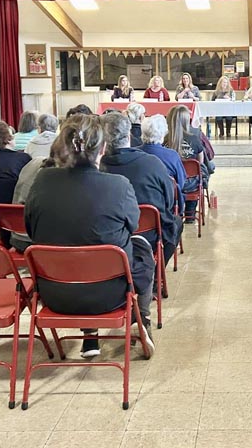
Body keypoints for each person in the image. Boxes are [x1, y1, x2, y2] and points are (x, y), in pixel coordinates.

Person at [24, 114, 155, 358]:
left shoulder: (42, 180)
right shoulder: (118, 185)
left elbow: (31, 229)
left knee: (75, 250)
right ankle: (142, 320)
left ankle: (89, 337)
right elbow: (133, 225)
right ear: (103, 148)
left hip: (55, 293)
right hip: (110, 293)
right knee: (142, 250)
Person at [100, 112, 182, 265]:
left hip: (108, 235)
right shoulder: (153, 163)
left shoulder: (98, 167)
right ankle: (157, 272)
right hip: (149, 234)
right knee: (175, 223)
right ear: (129, 137)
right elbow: (169, 199)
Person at [165, 105, 205, 220]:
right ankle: (190, 213)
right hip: (190, 183)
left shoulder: (164, 140)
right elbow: (200, 163)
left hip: (171, 184)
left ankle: (175, 211)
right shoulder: (194, 139)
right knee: (200, 174)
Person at [140, 115, 186, 212]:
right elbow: (180, 183)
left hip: (137, 206)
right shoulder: (172, 155)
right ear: (162, 134)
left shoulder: (134, 153)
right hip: (164, 206)